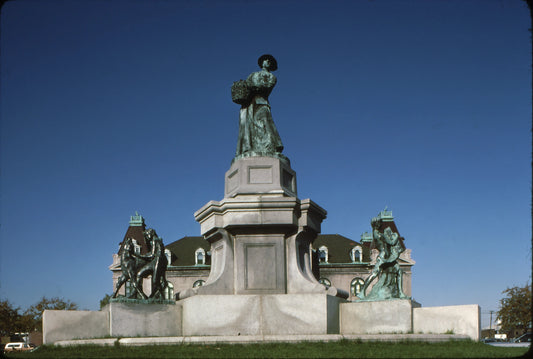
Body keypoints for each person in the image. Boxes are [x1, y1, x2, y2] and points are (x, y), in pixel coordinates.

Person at [233, 54, 284, 158]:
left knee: (265, 123)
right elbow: (246, 86)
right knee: (248, 127)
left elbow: (266, 87)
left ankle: (271, 147)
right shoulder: (253, 74)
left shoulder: (272, 77)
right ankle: (249, 147)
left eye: (269, 61)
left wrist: (253, 87)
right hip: (249, 104)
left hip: (261, 102)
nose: (266, 62)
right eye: (265, 60)